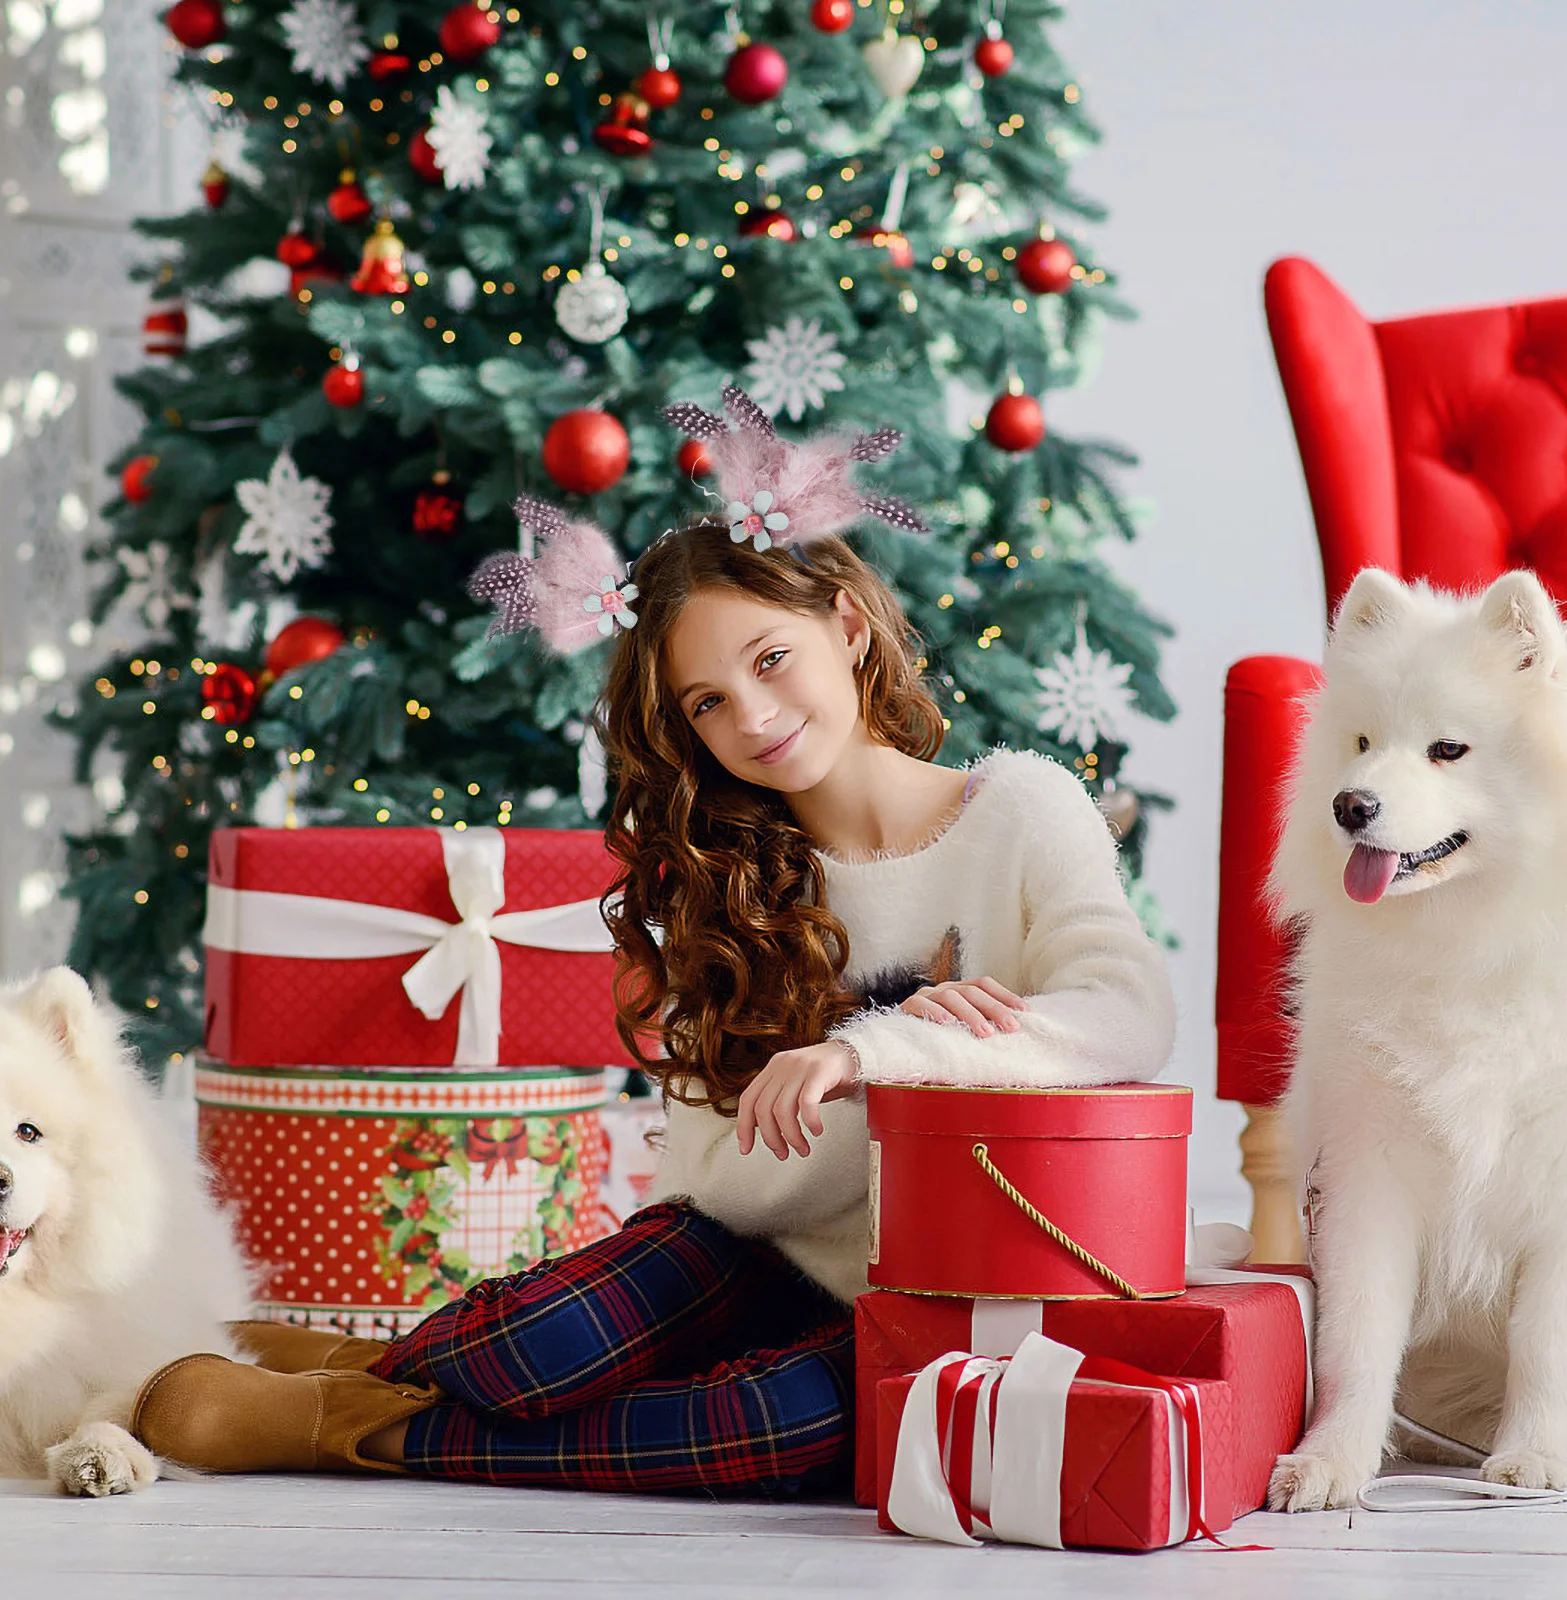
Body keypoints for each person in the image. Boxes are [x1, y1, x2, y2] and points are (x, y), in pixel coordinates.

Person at [130, 385, 1176, 1497]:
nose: (753, 719)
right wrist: (866, 1086)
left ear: (848, 626)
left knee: (780, 1435)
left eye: (770, 660)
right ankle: (372, 1371)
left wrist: (871, 1054)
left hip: (932, 1287)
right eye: (707, 704)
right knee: (524, 1352)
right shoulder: (721, 877)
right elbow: (725, 1185)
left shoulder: (1019, 807)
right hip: (753, 1245)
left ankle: (358, 1421)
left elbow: (1127, 1016)